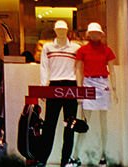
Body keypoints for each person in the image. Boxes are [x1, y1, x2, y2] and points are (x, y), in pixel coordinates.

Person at [35, 20, 82, 167]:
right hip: (54, 85)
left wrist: (79, 90)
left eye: (63, 30)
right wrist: (44, 86)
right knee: (50, 125)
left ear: (67, 30)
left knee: (70, 126)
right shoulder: (48, 47)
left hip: (70, 85)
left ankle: (65, 160)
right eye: (58, 30)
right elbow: (44, 67)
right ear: (55, 31)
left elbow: (79, 69)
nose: (61, 32)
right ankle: (42, 159)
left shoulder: (75, 48)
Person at [72, 22, 116, 166]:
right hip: (88, 84)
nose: (95, 35)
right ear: (89, 34)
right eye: (92, 33)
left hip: (103, 84)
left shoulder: (106, 50)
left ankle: (103, 155)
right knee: (84, 122)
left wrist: (114, 90)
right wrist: (79, 90)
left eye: (97, 33)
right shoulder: (83, 50)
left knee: (104, 124)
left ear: (101, 34)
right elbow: (78, 70)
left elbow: (112, 70)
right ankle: (75, 155)